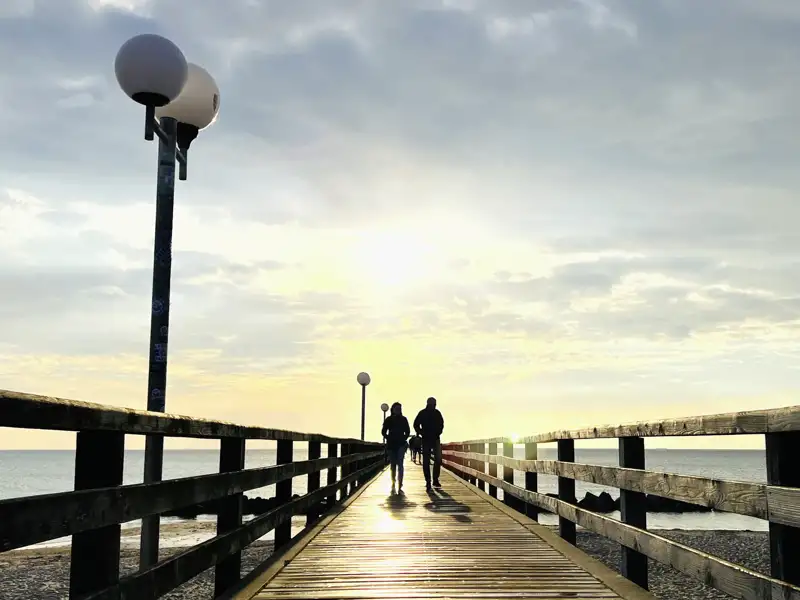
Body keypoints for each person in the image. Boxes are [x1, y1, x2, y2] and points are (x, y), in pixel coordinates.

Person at [413, 396, 444, 490]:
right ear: (428, 404)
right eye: (432, 404)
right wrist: (421, 433)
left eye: (434, 404)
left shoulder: (437, 413)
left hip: (435, 438)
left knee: (438, 459)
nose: (433, 406)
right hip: (426, 439)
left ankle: (435, 479)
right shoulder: (422, 413)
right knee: (426, 461)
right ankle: (428, 480)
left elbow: (441, 424)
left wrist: (438, 432)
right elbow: (416, 424)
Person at [381, 402, 410, 491]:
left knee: (400, 464)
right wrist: (388, 438)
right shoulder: (388, 419)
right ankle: (393, 481)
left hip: (401, 444)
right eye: (397, 409)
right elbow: (383, 431)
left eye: (400, 409)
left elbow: (407, 431)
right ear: (393, 410)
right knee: (393, 465)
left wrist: (403, 438)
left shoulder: (404, 419)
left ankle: (400, 483)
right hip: (391, 445)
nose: (398, 410)